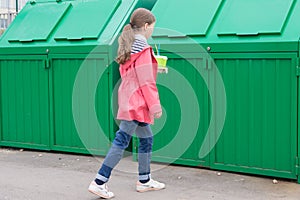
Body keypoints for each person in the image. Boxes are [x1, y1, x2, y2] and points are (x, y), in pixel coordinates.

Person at [88, 8, 165, 199]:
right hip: (137, 103)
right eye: (152, 27)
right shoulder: (144, 49)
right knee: (121, 140)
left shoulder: (130, 46)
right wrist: (155, 105)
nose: (152, 31)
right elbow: (146, 82)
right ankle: (99, 181)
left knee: (146, 138)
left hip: (128, 99)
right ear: (146, 26)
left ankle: (145, 180)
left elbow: (133, 75)